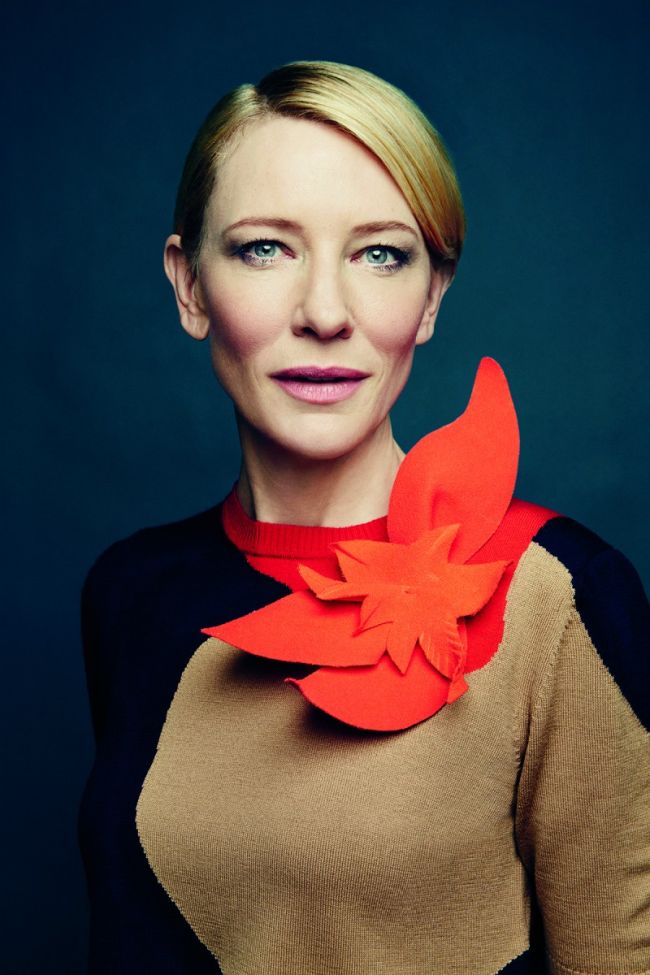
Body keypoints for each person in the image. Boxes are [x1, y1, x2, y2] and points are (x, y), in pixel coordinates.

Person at [78, 61, 649, 975]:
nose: (325, 313)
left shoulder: (558, 594)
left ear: (431, 297)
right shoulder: (128, 591)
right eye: (266, 248)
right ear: (189, 286)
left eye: (380, 254)